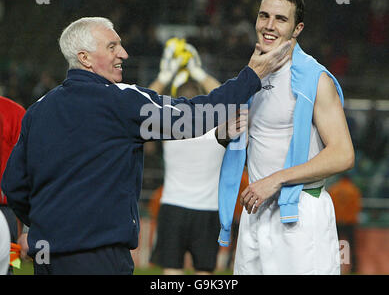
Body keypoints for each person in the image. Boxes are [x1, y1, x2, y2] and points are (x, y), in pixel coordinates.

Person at [1, 17, 291, 275]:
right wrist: (251, 75)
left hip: (47, 256)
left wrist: (48, 220)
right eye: (113, 47)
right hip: (99, 256)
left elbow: (14, 184)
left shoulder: (38, 110)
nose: (123, 54)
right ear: (85, 58)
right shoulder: (119, 100)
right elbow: (194, 117)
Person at [218, 0, 355, 275]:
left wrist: (276, 180)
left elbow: (343, 155)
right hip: (256, 213)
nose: (269, 25)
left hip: (300, 213)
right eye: (264, 16)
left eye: (281, 19)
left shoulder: (315, 80)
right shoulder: (250, 76)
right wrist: (225, 132)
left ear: (297, 28)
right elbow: (235, 136)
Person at [148, 40, 238, 275]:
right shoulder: (217, 127)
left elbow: (141, 105)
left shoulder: (169, 128)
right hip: (207, 211)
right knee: (204, 274)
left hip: (173, 209)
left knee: (171, 274)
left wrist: (165, 75)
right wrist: (200, 72)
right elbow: (233, 103)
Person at [0, 96, 27, 274]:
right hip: (8, 207)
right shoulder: (15, 112)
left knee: (10, 262)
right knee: (8, 264)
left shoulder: (15, 112)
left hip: (7, 207)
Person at [328, 174, 362, 274]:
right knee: (352, 246)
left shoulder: (334, 189)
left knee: (333, 246)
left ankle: (333, 266)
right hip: (349, 222)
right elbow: (357, 207)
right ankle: (354, 268)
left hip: (337, 222)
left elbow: (330, 206)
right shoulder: (354, 190)